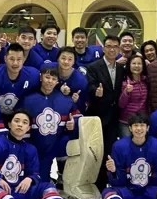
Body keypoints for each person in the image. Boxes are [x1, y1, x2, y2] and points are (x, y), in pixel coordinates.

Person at [21, 66, 80, 181]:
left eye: (53, 79)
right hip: (35, 145)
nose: (50, 81)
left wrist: (74, 124)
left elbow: (78, 118)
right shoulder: (27, 100)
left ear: (58, 81)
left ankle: (63, 176)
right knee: (38, 179)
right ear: (41, 78)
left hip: (55, 143)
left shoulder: (66, 100)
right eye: (47, 77)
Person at [86, 34, 126, 188]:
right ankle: (98, 182)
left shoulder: (122, 68)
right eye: (108, 46)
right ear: (103, 48)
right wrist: (96, 91)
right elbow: (89, 86)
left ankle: (109, 180)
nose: (112, 49)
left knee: (110, 149)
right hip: (99, 114)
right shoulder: (93, 67)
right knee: (97, 150)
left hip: (116, 115)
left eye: (115, 47)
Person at [0, 43, 40, 116]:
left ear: (24, 60)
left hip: (18, 118)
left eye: (19, 59)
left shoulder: (33, 75)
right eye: (12, 59)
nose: (15, 63)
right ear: (5, 59)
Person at [118, 53, 149, 138]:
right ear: (129, 65)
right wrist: (126, 92)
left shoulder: (146, 81)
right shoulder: (124, 82)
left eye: (139, 63)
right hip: (126, 122)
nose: (136, 66)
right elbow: (121, 104)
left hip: (141, 121)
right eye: (134, 63)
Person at [56, 46, 88, 114]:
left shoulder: (81, 81)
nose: (66, 62)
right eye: (63, 58)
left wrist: (77, 101)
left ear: (74, 62)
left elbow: (85, 106)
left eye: (70, 59)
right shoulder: (50, 70)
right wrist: (59, 86)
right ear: (58, 59)